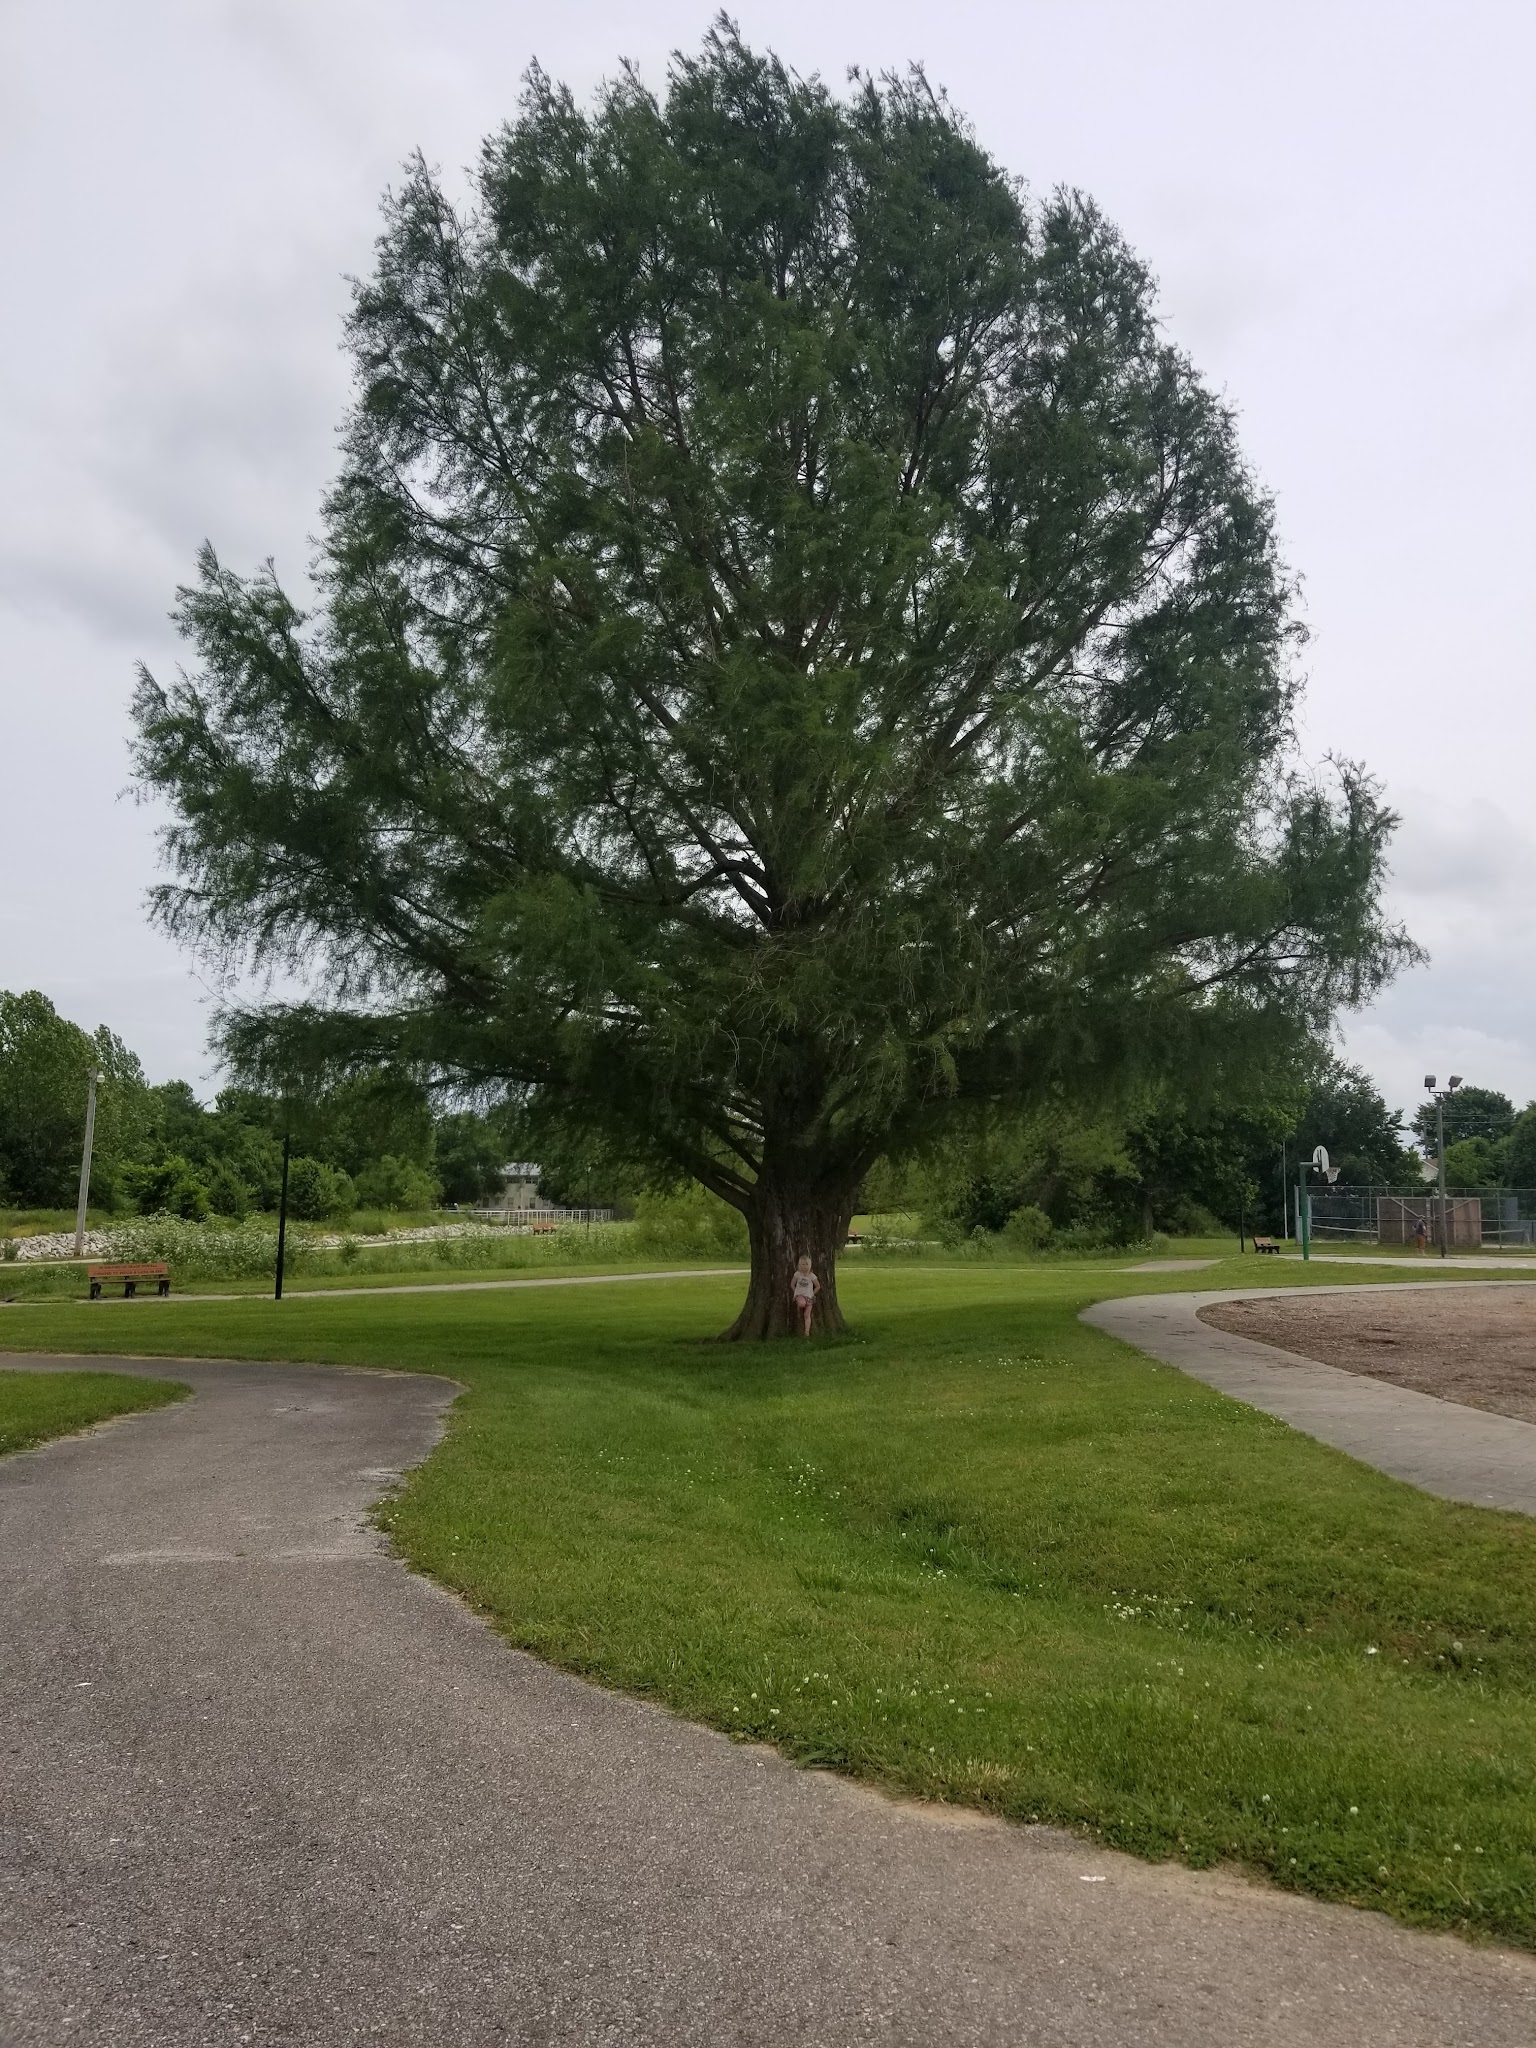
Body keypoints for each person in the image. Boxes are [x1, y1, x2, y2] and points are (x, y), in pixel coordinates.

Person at [790, 1254, 820, 1337]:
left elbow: (818, 1286)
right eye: (803, 1264)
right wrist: (795, 1292)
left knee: (807, 1315)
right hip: (800, 1295)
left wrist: (812, 1294)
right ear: (799, 1265)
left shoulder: (812, 1276)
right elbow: (792, 1284)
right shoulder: (797, 1274)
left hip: (809, 1297)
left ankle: (807, 1332)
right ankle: (798, 1306)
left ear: (810, 1265)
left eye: (807, 1264)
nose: (805, 1266)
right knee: (802, 1303)